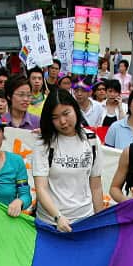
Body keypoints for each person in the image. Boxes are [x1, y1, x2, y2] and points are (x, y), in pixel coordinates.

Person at [32, 88, 104, 233]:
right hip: (50, 223)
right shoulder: (44, 143)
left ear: (75, 109)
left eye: (66, 113)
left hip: (84, 219)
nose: (63, 122)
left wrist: (99, 221)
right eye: (55, 117)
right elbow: (41, 188)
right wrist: (58, 217)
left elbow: (96, 186)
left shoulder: (91, 140)